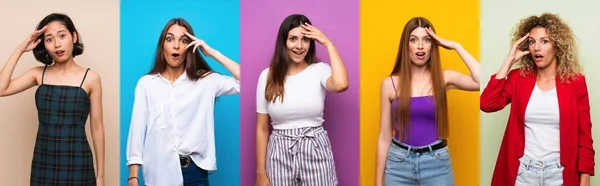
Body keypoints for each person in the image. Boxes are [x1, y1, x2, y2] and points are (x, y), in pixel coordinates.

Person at [480, 13, 594, 186]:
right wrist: (509, 60)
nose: (536, 48)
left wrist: (584, 180)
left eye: (544, 41)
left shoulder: (575, 82)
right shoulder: (518, 78)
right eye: (532, 42)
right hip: (523, 173)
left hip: (559, 173)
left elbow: (584, 136)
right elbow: (487, 103)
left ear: (558, 45)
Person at [126, 18, 240, 186]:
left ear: (190, 47)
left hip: (195, 174)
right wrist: (133, 176)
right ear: (162, 45)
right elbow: (137, 129)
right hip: (159, 174)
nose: (176, 46)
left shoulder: (205, 81)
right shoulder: (146, 84)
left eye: (184, 40)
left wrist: (212, 52)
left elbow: (246, 81)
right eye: (170, 39)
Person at [0, 13, 106, 186]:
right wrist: (20, 49)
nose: (57, 44)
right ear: (44, 44)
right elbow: (1, 88)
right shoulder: (38, 74)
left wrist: (101, 176)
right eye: (49, 39)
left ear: (73, 36)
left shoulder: (91, 78)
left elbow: (97, 127)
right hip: (43, 161)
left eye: (62, 36)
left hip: (78, 160)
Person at [375, 17, 480, 186]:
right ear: (406, 45)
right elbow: (384, 136)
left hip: (437, 164)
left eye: (427, 40)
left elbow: (482, 81)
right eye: (413, 40)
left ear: (433, 45)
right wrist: (378, 181)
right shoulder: (389, 84)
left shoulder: (443, 78)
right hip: (398, 165)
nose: (420, 46)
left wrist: (456, 46)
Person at [255, 14, 349, 186]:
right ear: (283, 42)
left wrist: (328, 43)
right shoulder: (267, 76)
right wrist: (261, 172)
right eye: (293, 39)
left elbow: (342, 84)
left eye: (305, 39)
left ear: (311, 43)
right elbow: (261, 128)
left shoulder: (320, 70)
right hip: (279, 152)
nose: (299, 46)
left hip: (315, 148)